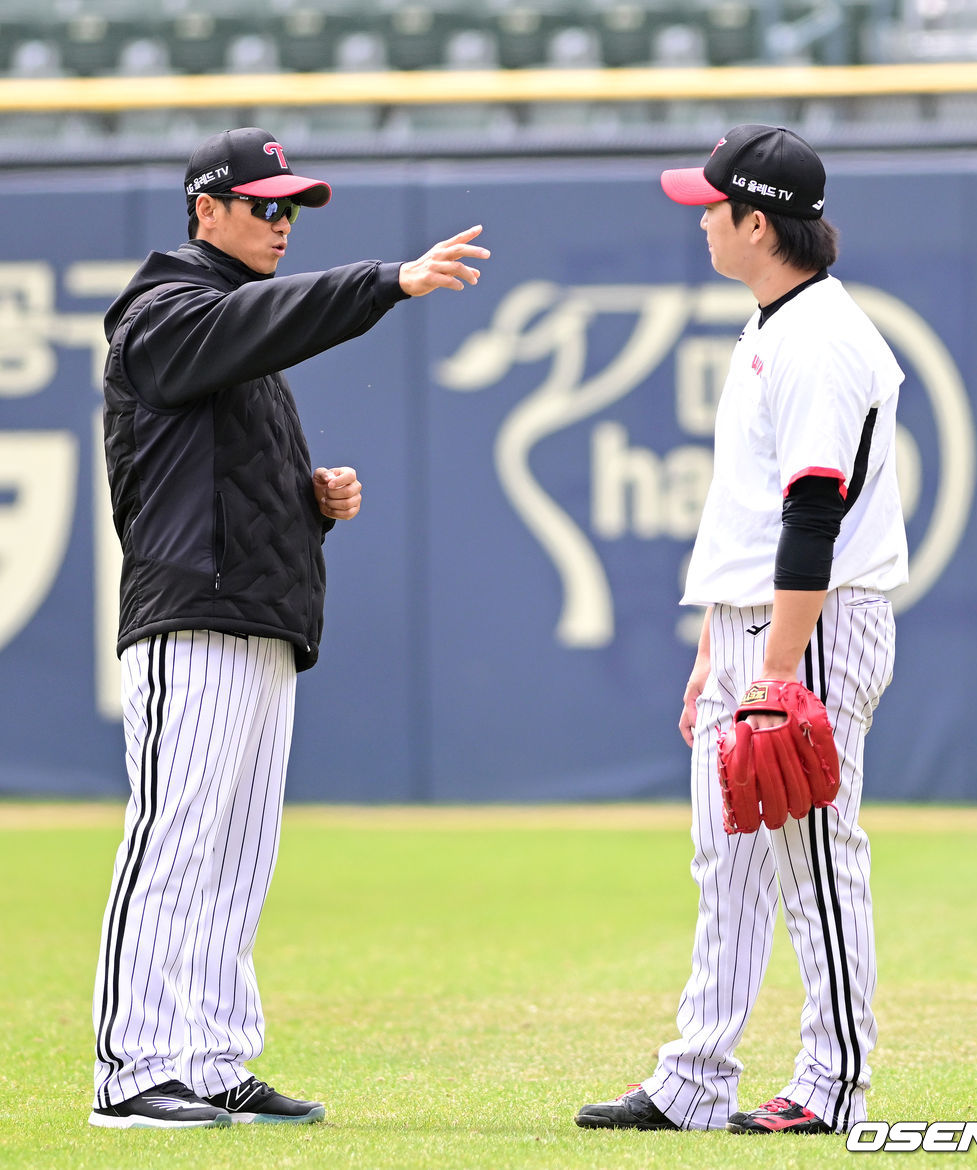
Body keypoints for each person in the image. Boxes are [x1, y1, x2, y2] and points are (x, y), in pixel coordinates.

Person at [90, 127, 489, 1129]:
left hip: (258, 614)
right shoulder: (163, 309)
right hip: (191, 614)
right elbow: (268, 323)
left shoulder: (227, 322)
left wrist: (308, 501)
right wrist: (386, 281)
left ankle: (211, 1057)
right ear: (205, 210)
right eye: (263, 205)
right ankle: (133, 1069)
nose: (280, 222)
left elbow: (212, 468)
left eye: (291, 208)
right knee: (176, 843)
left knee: (235, 857)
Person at [575, 125, 907, 1135]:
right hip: (750, 628)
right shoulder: (777, 322)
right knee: (727, 861)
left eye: (711, 206)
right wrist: (715, 653)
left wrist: (771, 674)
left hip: (802, 628)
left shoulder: (819, 339)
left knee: (812, 857)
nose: (701, 220)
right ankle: (694, 1077)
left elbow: (815, 510)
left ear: (754, 223)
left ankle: (832, 1082)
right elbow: (758, 515)